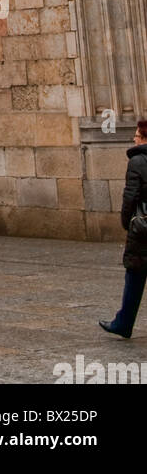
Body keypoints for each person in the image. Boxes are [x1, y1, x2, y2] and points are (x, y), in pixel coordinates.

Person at [101, 119, 147, 338]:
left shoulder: (137, 161)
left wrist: (126, 221)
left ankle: (123, 322)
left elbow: (130, 196)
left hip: (143, 229)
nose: (134, 138)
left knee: (135, 276)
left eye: (137, 135)